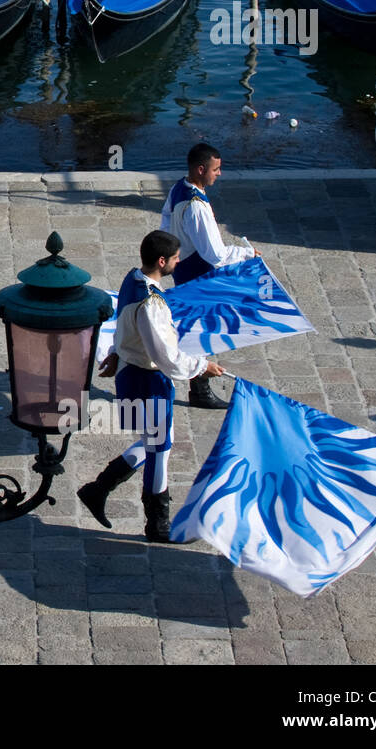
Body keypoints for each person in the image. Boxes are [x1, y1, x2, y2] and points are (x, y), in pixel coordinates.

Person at [79, 231, 227, 543]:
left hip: (131, 375)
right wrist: (203, 367)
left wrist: (118, 353)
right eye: (175, 258)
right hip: (149, 381)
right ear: (162, 261)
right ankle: (157, 525)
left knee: (157, 440)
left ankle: (100, 488)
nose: (178, 262)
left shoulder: (132, 280)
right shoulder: (153, 303)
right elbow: (167, 357)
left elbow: (125, 325)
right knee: (160, 449)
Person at [159, 142, 257, 409]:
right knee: (203, 331)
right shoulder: (197, 207)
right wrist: (247, 253)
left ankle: (196, 384)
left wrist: (175, 252)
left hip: (183, 268)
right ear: (200, 170)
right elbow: (216, 255)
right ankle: (200, 390)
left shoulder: (179, 188)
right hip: (199, 276)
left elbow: (165, 222)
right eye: (216, 169)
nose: (219, 174)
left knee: (195, 327)